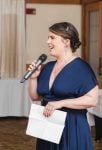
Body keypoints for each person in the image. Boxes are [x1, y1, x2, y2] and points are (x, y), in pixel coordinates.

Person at [28, 22, 99, 150]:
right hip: (47, 127)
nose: (47, 41)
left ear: (66, 42)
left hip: (71, 127)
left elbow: (92, 99)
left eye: (52, 38)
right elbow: (35, 97)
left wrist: (60, 103)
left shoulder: (81, 67)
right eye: (48, 37)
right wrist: (33, 78)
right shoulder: (47, 67)